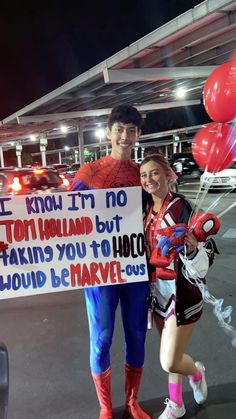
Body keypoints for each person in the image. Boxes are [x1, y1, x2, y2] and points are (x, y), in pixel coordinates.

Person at [71, 105, 151, 419]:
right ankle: (106, 406)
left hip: (135, 268)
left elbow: (160, 213)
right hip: (100, 271)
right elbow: (60, 220)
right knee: (102, 337)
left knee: (136, 334)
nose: (125, 136)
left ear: (138, 135)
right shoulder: (88, 173)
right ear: (108, 132)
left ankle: (132, 402)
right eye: (119, 129)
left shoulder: (142, 174)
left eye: (131, 130)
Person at [140, 153, 210, 419]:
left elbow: (206, 253)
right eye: (144, 175)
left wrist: (192, 250)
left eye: (155, 172)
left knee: (169, 359)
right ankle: (177, 404)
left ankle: (197, 373)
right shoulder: (144, 209)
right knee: (173, 351)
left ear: (169, 174)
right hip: (156, 293)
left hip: (182, 292)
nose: (149, 179)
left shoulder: (183, 207)